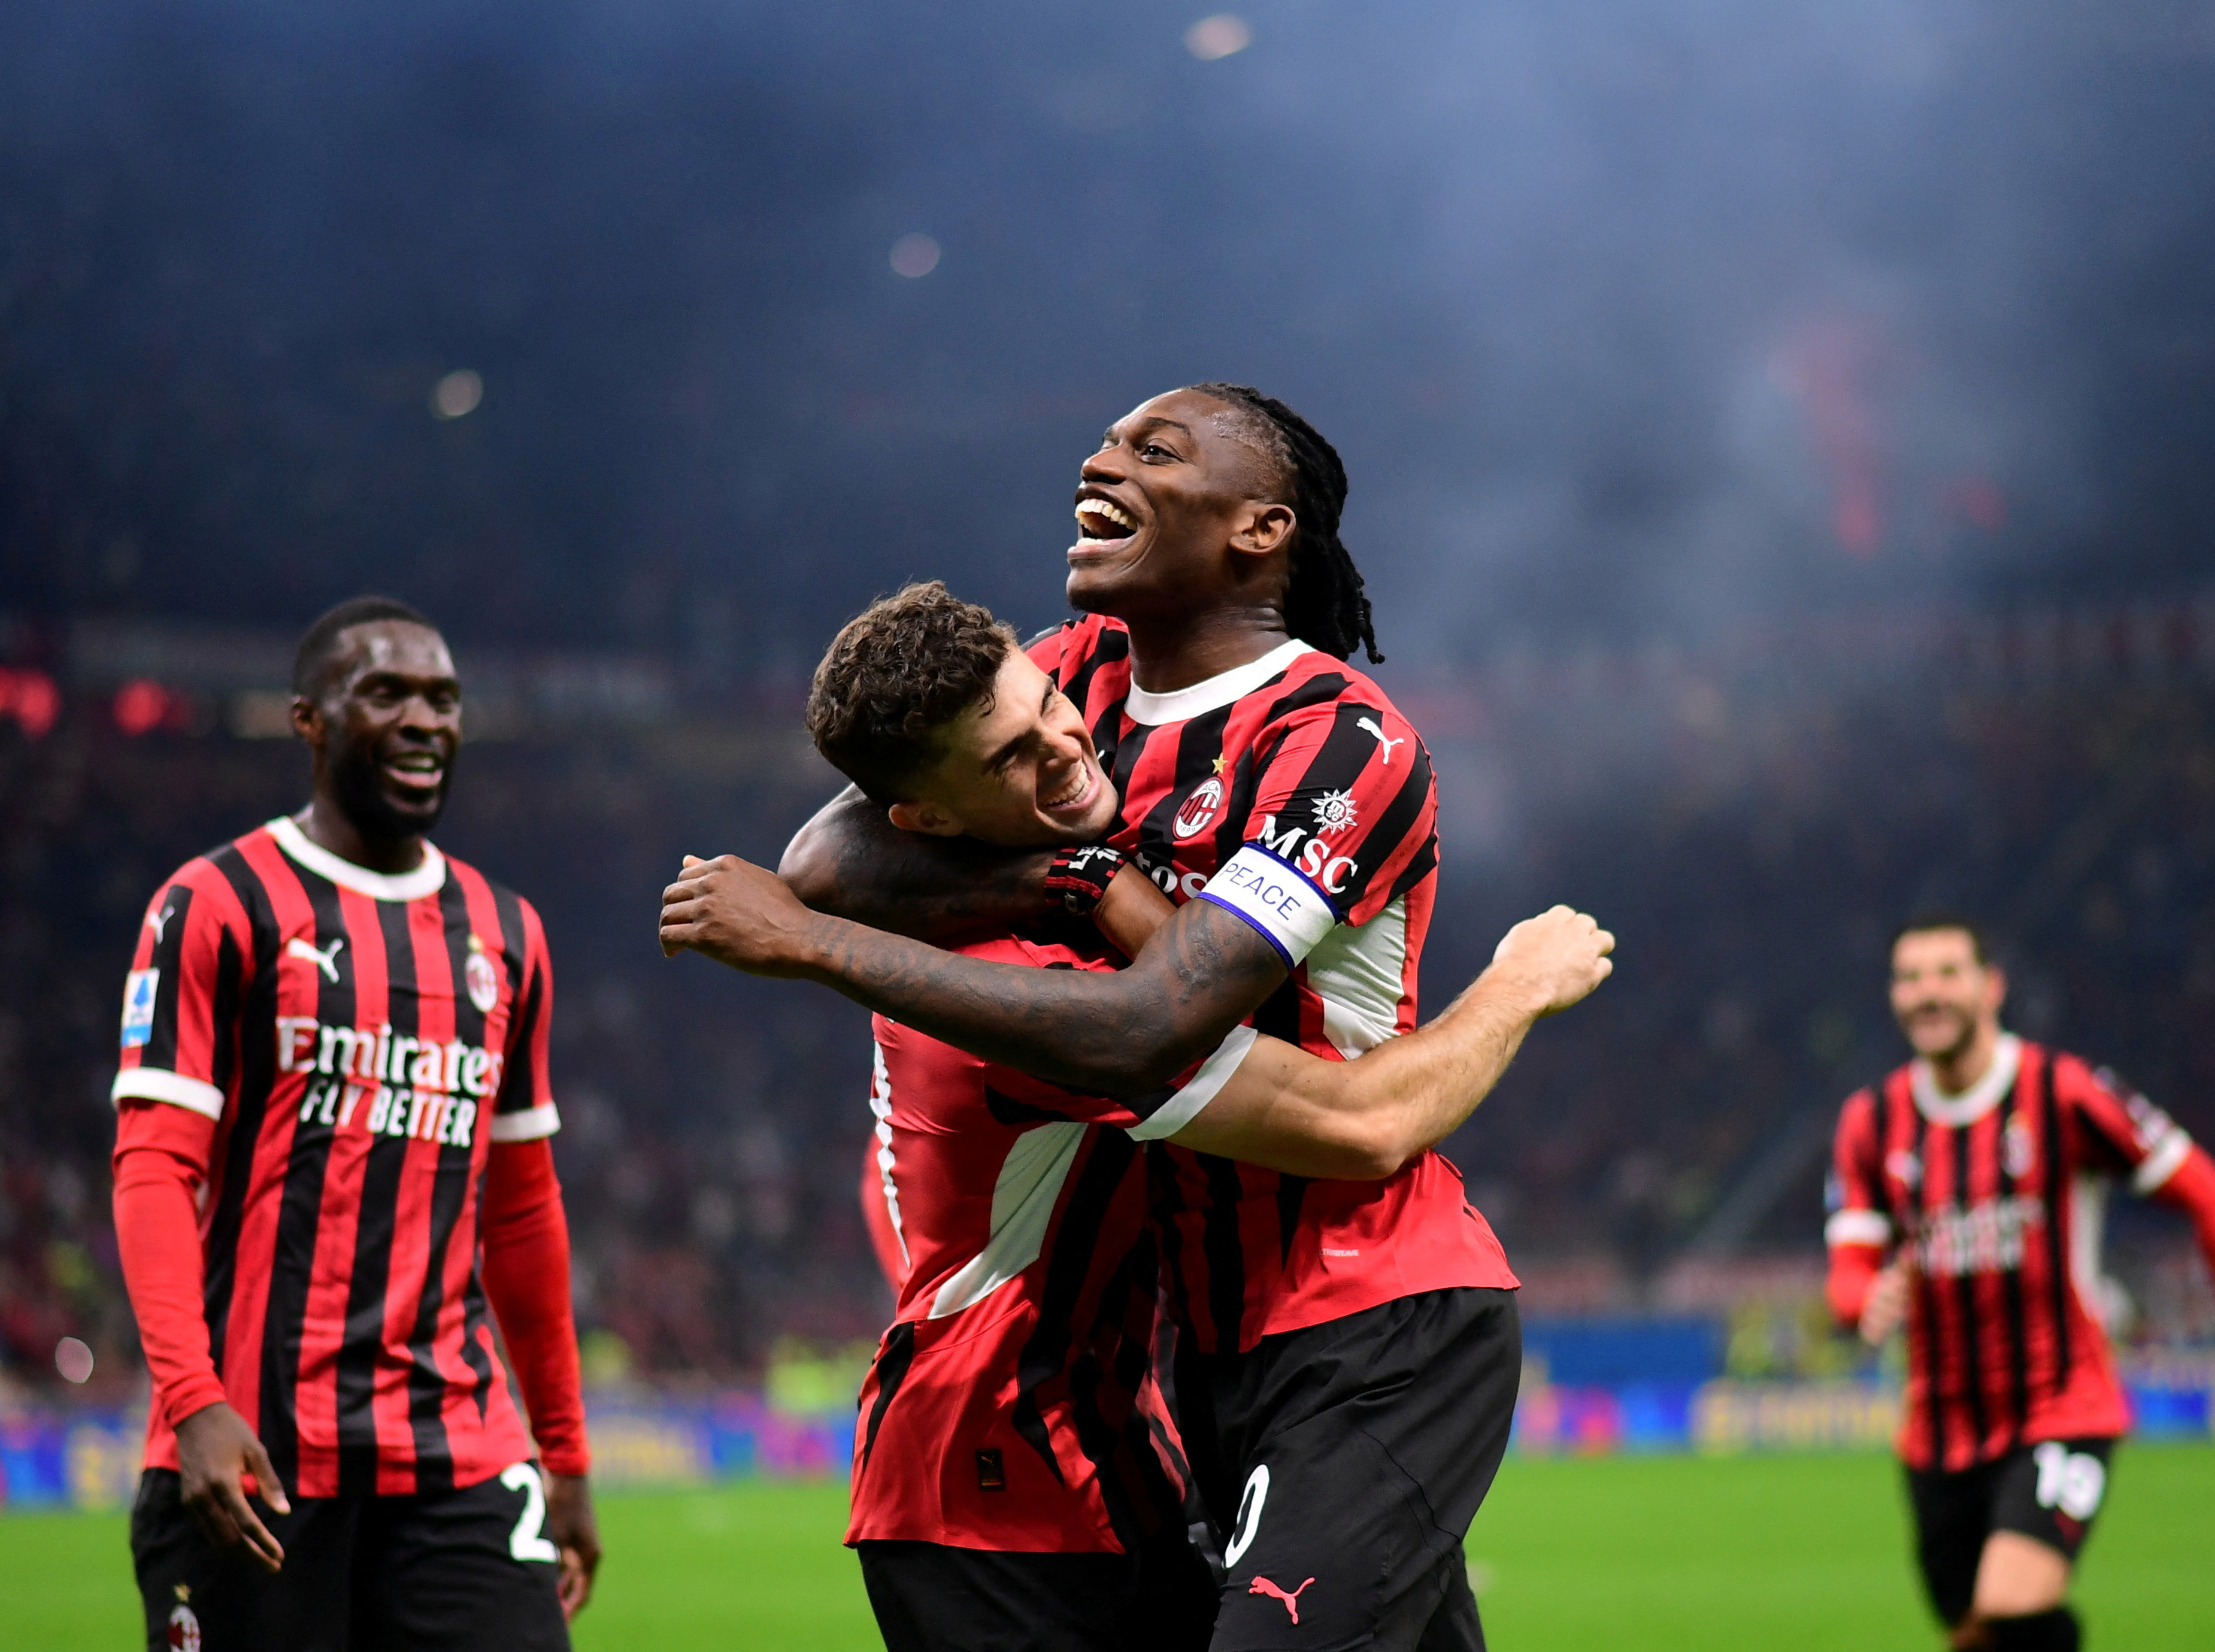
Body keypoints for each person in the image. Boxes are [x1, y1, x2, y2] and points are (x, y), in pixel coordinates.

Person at [663, 385, 1537, 1649]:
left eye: (1154, 448)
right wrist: (1066, 879)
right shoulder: (1068, 678)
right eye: (1109, 439)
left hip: (1372, 1308)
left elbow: (1163, 1027)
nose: (1099, 456)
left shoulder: (1340, 739)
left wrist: (827, 946)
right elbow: (821, 852)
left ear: (1258, 527)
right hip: (1202, 1355)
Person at [766, 583, 1612, 1652]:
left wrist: (1086, 873)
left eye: (1050, 705)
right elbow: (1361, 1121)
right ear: (922, 819)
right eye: (1006, 758)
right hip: (994, 1480)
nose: (1066, 747)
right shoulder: (1037, 995)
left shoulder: (968, 913)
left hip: (1113, 1445)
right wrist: (1516, 983)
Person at [111, 596, 598, 1651]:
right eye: (387, 692)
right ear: (309, 718)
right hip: (256, 1447)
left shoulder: (509, 934)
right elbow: (154, 1164)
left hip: (458, 1453)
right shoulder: (214, 900)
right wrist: (193, 1403)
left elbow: (520, 1212)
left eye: (444, 698)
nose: (425, 718)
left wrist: (561, 1450)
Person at [1825, 915, 2215, 1652]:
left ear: (1991, 986)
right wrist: (1862, 1301)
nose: (1927, 993)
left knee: (2012, 1606)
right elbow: (1849, 1273)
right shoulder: (1871, 1121)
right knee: (1977, 1634)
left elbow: (2214, 1198)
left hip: (2061, 1404)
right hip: (1936, 1433)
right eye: (1910, 977)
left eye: (1946, 973)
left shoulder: (2065, 1091)